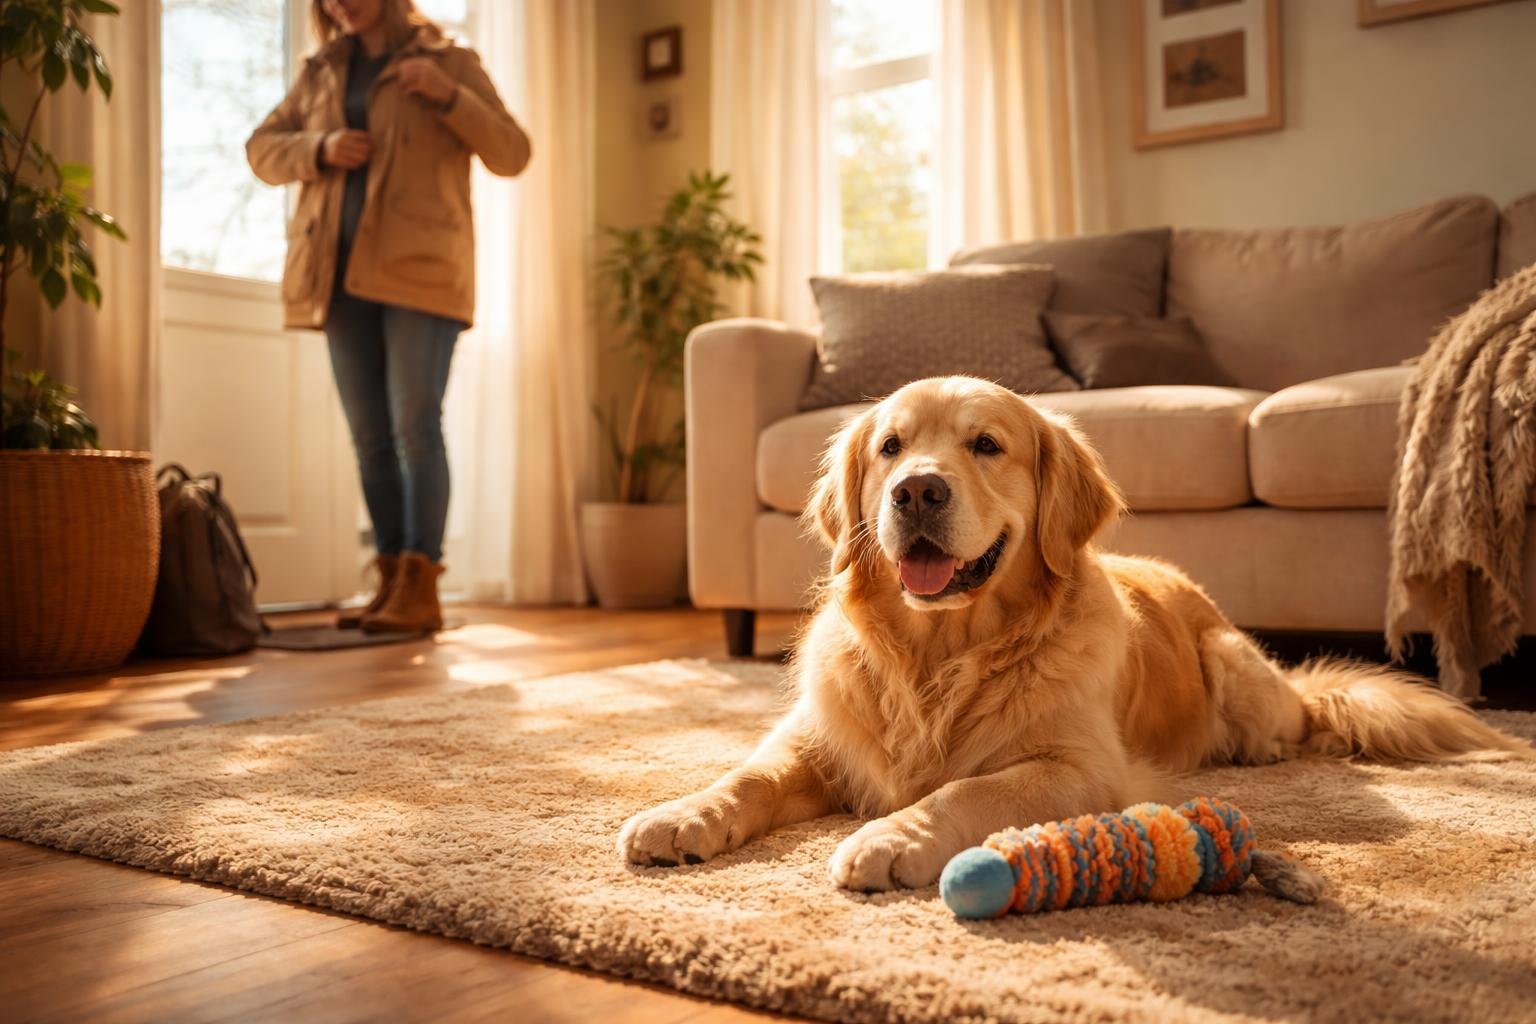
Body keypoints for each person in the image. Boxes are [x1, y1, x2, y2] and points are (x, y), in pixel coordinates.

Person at [247, 0, 530, 633]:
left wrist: (450, 96)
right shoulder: (322, 70)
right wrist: (319, 147)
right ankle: (388, 583)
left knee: (415, 428)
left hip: (421, 272)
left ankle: (421, 584)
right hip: (336, 274)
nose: (335, 4)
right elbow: (262, 149)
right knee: (370, 438)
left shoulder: (447, 60)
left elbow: (513, 152)